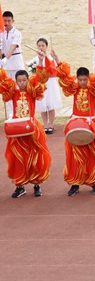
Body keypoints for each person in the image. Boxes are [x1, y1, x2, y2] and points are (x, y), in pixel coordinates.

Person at [52, 49, 95, 196]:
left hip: (91, 124)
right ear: (77, 79)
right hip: (76, 123)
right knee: (74, 156)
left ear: (88, 79)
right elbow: (64, 77)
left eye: (85, 79)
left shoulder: (93, 88)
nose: (83, 82)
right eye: (81, 80)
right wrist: (57, 59)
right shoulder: (75, 87)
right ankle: (74, 183)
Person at [0, 56, 50, 198]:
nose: (22, 83)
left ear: (27, 80)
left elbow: (41, 78)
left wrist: (40, 62)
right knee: (18, 157)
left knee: (35, 156)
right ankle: (20, 185)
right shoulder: (13, 93)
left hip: (32, 129)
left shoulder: (32, 92)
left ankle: (36, 184)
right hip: (17, 130)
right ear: (16, 82)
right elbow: (3, 83)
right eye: (19, 81)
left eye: (24, 80)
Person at [29, 38, 62, 134]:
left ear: (46, 47)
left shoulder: (51, 59)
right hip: (41, 85)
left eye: (43, 45)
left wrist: (55, 57)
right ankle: (45, 125)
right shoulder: (35, 60)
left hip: (50, 83)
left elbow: (56, 71)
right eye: (39, 46)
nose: (41, 47)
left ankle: (51, 125)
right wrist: (40, 60)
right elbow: (35, 73)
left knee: (51, 105)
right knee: (42, 106)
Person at [1, 11, 25, 119]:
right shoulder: (1, 33)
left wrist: (6, 58)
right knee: (8, 89)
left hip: (15, 61)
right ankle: (11, 113)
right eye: (4, 20)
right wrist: (2, 57)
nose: (6, 23)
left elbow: (12, 47)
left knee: (19, 87)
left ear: (12, 21)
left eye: (8, 21)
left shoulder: (17, 33)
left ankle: (22, 110)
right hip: (5, 64)